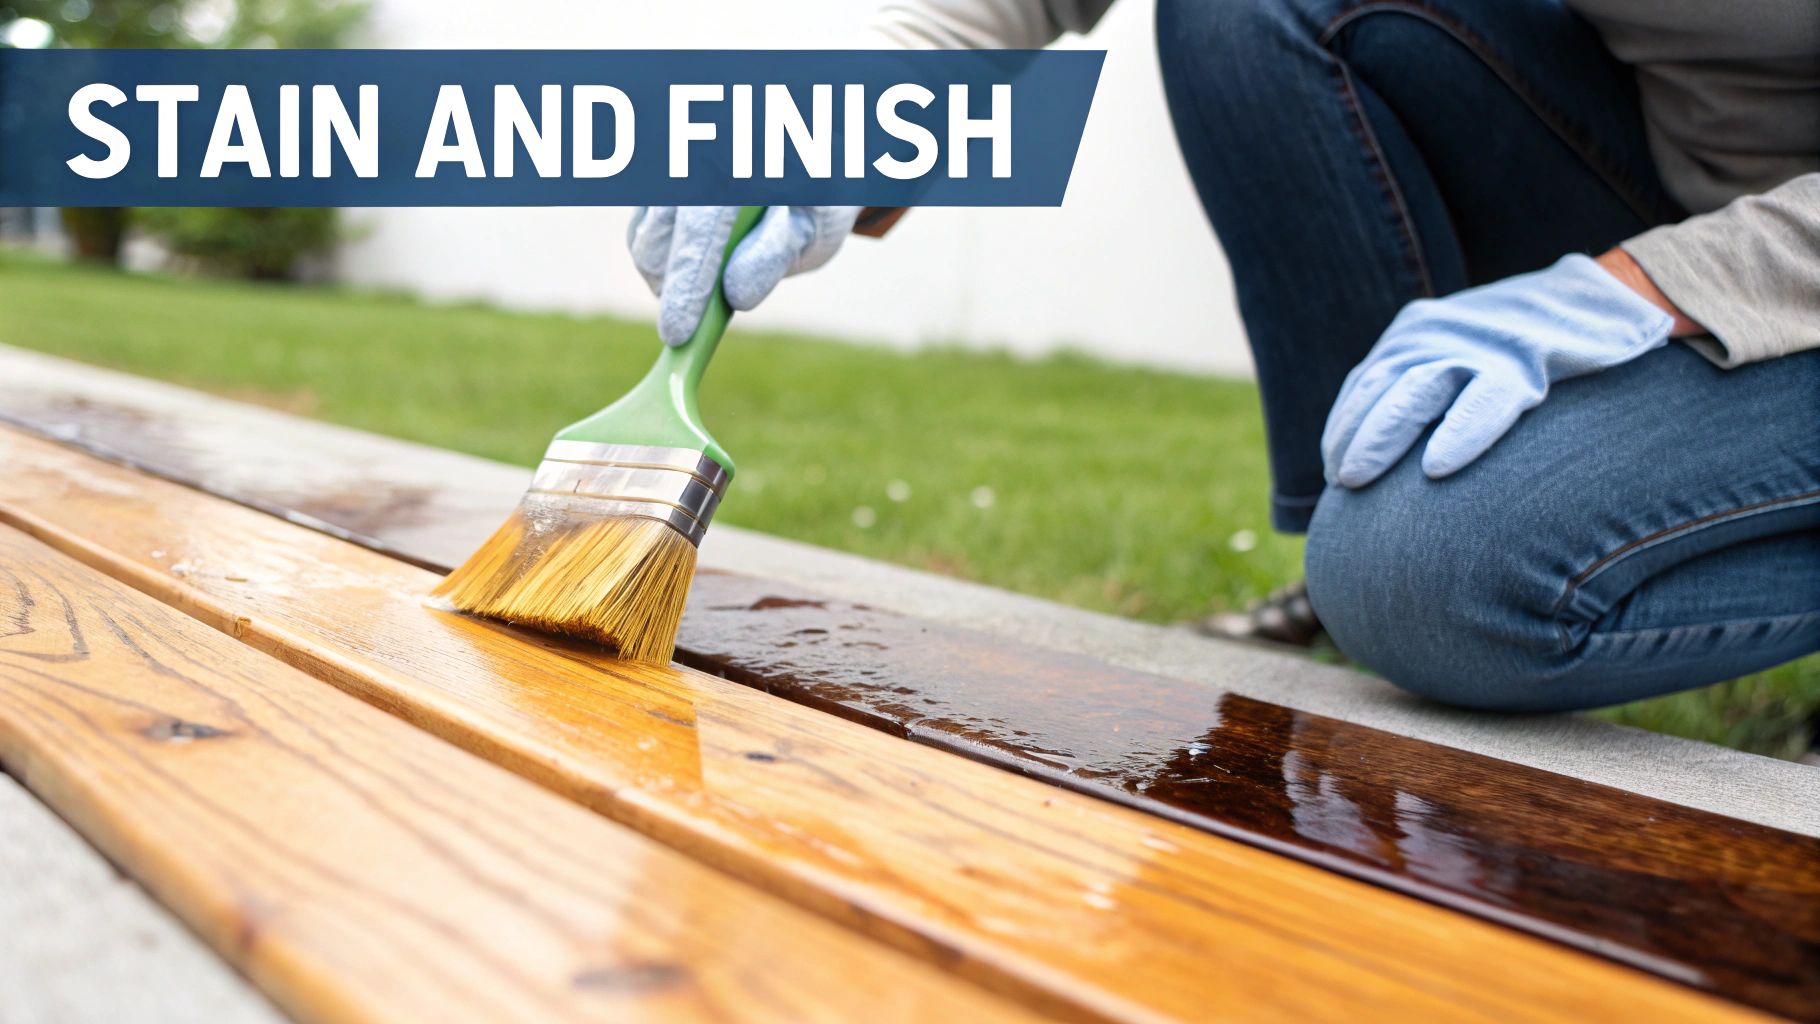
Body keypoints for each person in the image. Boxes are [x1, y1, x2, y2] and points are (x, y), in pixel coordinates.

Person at [628, 0, 1820, 713]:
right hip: (1670, 178)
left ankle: (1393, 553)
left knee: (1424, 578)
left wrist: (1642, 290)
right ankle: (1350, 533)